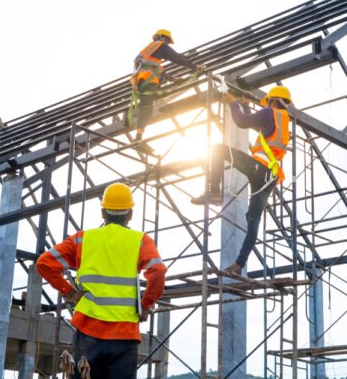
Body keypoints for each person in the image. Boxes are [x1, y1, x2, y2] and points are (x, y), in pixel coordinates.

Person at [36, 183, 167, 379]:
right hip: (124, 334)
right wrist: (145, 306)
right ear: (130, 214)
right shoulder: (141, 241)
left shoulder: (82, 240)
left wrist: (69, 291)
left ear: (103, 213)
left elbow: (44, 263)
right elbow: (158, 271)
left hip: (88, 331)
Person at [191, 86, 292, 275]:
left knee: (218, 149)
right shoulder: (283, 120)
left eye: (269, 102)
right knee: (253, 220)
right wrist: (245, 105)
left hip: (259, 166)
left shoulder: (270, 112)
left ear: (274, 101)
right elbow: (254, 122)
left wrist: (232, 102)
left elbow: (241, 122)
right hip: (270, 176)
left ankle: (213, 191)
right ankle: (238, 265)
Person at [128, 29, 206, 150]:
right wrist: (194, 66)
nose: (167, 44)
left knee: (146, 106)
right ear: (160, 38)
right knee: (147, 108)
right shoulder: (160, 45)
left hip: (140, 81)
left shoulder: (147, 51)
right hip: (148, 81)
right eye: (167, 41)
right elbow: (177, 57)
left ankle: (137, 137)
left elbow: (157, 70)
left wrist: (172, 79)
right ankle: (138, 139)